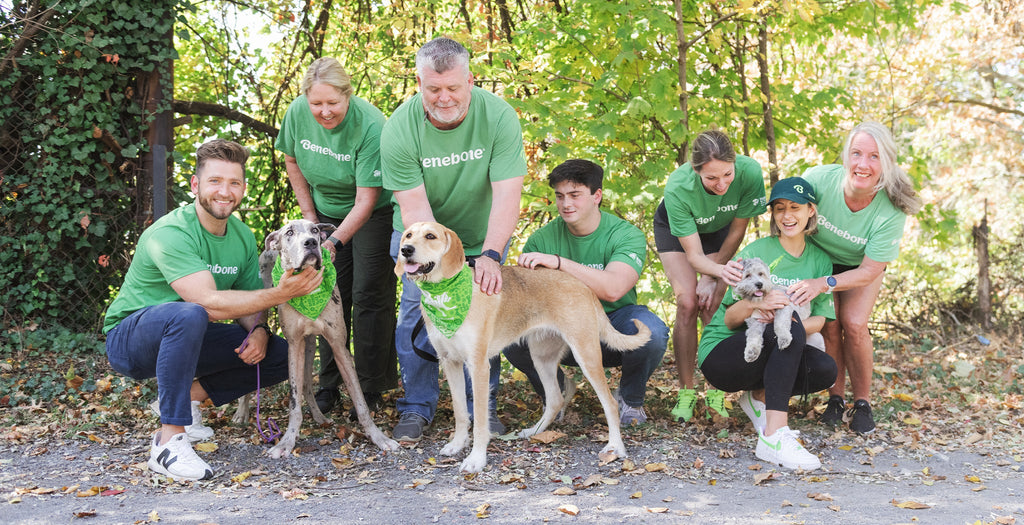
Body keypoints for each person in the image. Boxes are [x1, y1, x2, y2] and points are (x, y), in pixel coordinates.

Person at [103, 140, 324, 481]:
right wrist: (281, 293)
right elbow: (206, 302)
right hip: (131, 340)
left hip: (190, 335)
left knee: (279, 355)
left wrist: (261, 331)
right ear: (195, 186)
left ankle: (182, 399)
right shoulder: (171, 232)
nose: (225, 191)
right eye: (215, 181)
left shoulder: (240, 235)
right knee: (190, 312)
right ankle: (168, 443)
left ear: (243, 189)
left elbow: (250, 300)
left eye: (234, 183)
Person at [381, 37, 527, 442]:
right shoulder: (398, 128)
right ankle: (417, 407)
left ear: (470, 80)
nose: (444, 98)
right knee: (416, 315)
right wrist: (437, 264)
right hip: (422, 235)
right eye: (433, 89)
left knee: (484, 313)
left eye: (453, 88)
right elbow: (415, 211)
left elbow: (507, 195)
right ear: (418, 82)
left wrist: (491, 255)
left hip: (483, 235)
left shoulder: (498, 116)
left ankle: (485, 412)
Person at [275, 57, 398, 417]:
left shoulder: (371, 125)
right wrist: (311, 223)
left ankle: (372, 386)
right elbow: (292, 162)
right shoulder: (298, 113)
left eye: (333, 103)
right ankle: (329, 385)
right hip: (323, 211)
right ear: (305, 100)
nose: (324, 111)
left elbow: (366, 200)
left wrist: (331, 244)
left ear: (348, 95)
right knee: (327, 290)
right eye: (317, 104)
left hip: (372, 212)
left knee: (368, 293)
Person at [504, 159, 670, 425]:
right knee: (513, 335)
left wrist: (560, 263)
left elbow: (614, 289)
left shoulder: (626, 234)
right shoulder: (541, 240)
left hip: (615, 323)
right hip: (560, 327)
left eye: (575, 195)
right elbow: (528, 301)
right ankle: (556, 391)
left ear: (597, 196)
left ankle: (630, 399)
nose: (566, 204)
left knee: (654, 332)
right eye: (560, 196)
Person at [789, 121, 922, 434]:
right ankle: (836, 399)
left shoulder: (890, 210)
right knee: (831, 324)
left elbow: (870, 270)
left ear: (886, 164)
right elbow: (788, 215)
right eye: (857, 154)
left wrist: (825, 284)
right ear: (846, 156)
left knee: (854, 323)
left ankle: (862, 402)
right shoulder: (818, 179)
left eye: (874, 157)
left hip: (860, 268)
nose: (863, 164)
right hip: (817, 259)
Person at [698, 177, 838, 470]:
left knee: (824, 368)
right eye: (779, 209)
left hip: (775, 344)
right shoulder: (757, 252)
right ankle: (774, 436)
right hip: (725, 353)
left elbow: (820, 320)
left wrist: (787, 316)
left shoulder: (820, 260)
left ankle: (758, 397)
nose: (787, 216)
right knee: (786, 327)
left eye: (795, 208)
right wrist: (754, 304)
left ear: (811, 210)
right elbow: (728, 317)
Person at [653, 130, 767, 422]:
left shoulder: (750, 172)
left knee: (714, 305)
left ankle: (716, 391)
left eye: (727, 174)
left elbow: (738, 230)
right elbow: (693, 256)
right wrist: (709, 273)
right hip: (679, 234)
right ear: (696, 171)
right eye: (712, 178)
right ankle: (686, 391)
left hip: (722, 233)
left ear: (735, 163)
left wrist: (714, 278)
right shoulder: (678, 187)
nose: (722, 184)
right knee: (688, 302)